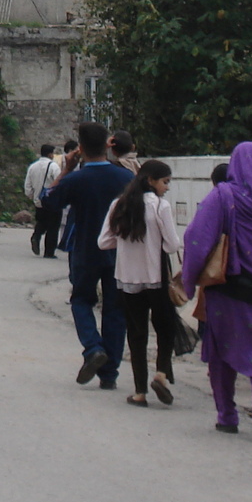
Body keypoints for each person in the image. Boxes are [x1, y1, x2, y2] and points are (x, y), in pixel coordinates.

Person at [181, 141, 252, 443]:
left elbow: (198, 238)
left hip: (228, 291)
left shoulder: (224, 196)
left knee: (221, 353)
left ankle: (227, 415)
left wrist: (189, 281)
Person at [42, 121, 133, 389]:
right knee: (116, 310)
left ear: (80, 148)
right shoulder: (126, 179)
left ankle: (93, 347)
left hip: (85, 249)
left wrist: (66, 170)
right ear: (108, 144)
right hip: (118, 252)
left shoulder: (76, 179)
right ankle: (110, 373)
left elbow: (48, 201)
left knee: (81, 300)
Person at [98, 159, 182, 407]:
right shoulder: (160, 207)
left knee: (136, 334)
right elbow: (172, 245)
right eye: (165, 182)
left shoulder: (119, 204)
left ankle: (139, 392)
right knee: (165, 327)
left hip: (127, 279)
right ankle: (161, 374)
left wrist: (125, 245)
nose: (166, 188)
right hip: (156, 277)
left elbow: (103, 242)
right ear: (151, 181)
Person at [25, 144, 62, 258]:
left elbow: (28, 185)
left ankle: (36, 236)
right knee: (53, 226)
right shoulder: (53, 166)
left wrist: (33, 196)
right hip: (52, 201)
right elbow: (59, 182)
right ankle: (49, 251)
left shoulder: (32, 166)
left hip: (38, 200)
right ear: (51, 154)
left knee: (42, 221)